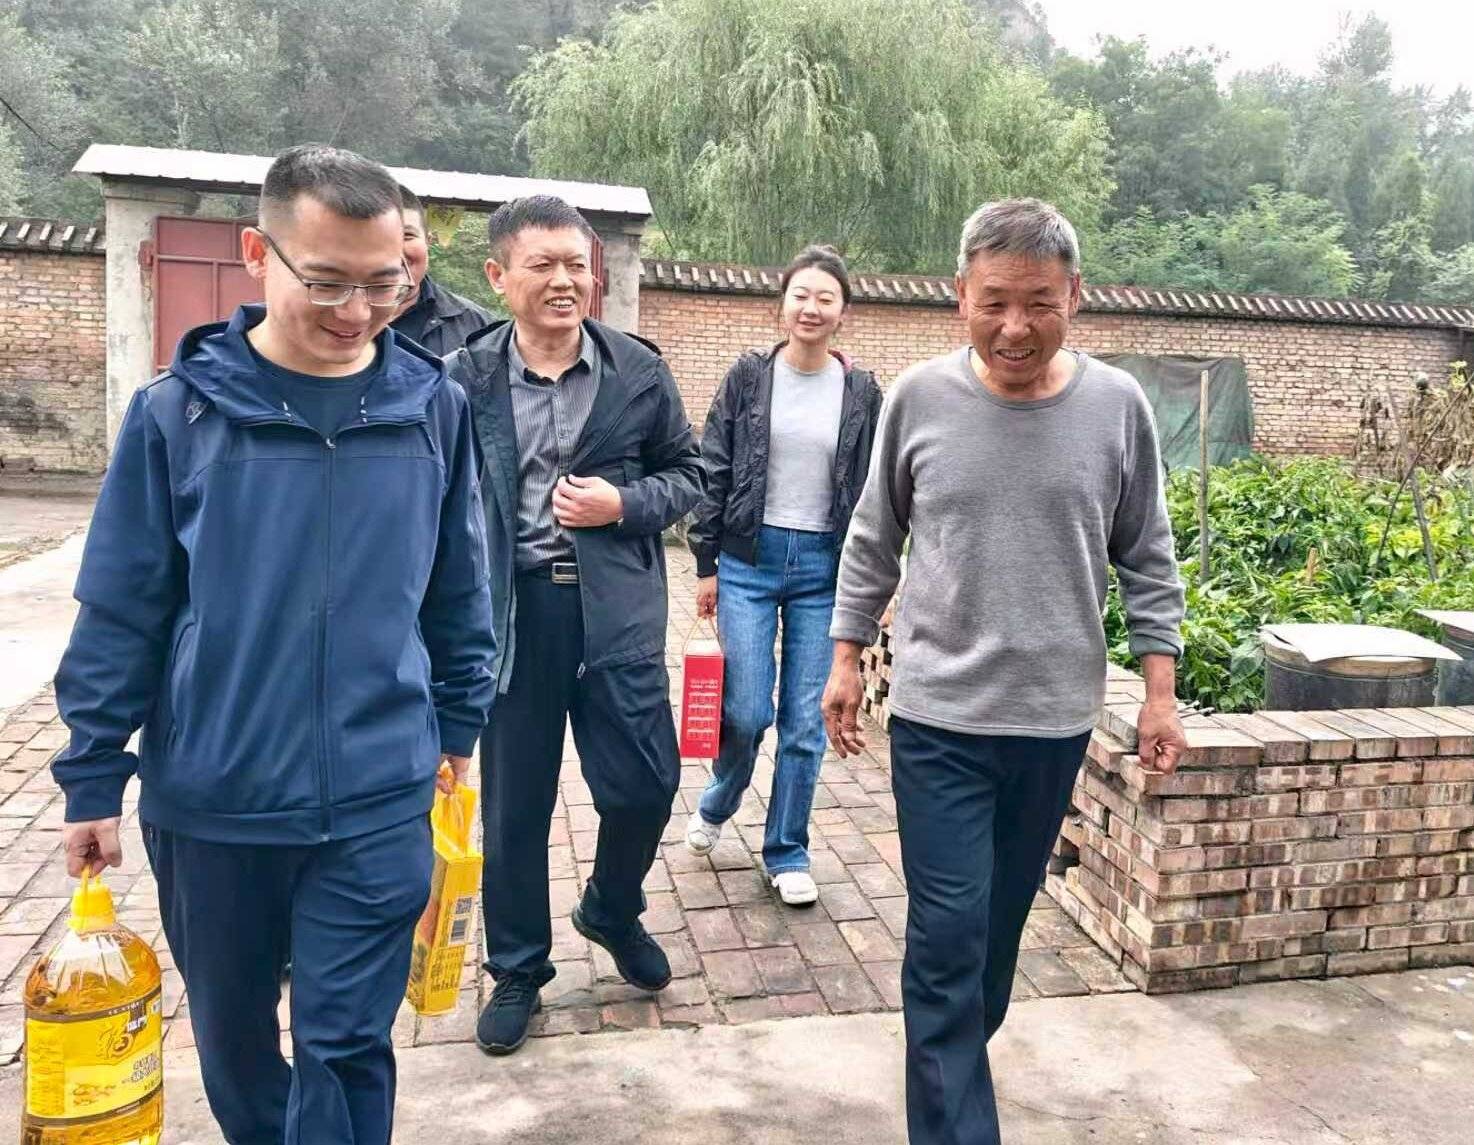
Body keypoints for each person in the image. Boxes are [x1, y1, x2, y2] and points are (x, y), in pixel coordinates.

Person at [52, 144, 496, 1145]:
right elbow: (123, 606)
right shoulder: (178, 414)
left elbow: (459, 587)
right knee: (236, 1044)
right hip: (217, 800)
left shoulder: (434, 407)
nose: (358, 310)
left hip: (379, 795)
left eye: (386, 283)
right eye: (328, 282)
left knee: (345, 1043)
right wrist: (92, 773)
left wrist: (458, 725)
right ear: (258, 254)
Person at [821, 198, 1187, 1145]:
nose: (1015, 327)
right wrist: (845, 656)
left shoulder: (1117, 407)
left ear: (1075, 296)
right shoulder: (918, 398)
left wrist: (1160, 692)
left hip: (1052, 721)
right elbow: (873, 539)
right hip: (940, 718)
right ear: (961, 297)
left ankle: (948, 1070)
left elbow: (1148, 556)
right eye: (993, 303)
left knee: (989, 948)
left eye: (1038, 303)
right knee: (947, 934)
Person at [446, 195, 705, 1056]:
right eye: (542, 264)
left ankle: (612, 907)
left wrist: (622, 503)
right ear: (499, 275)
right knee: (515, 808)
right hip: (511, 614)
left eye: (576, 264)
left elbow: (690, 474)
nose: (565, 280)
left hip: (615, 611)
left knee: (646, 784)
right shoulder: (463, 379)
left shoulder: (636, 369)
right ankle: (519, 967)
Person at [684, 245, 883, 906]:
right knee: (745, 711)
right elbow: (714, 465)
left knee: (804, 721)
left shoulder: (861, 391)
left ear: (843, 312)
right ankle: (721, 798)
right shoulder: (748, 377)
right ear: (783, 303)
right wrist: (706, 563)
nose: (812, 307)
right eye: (802, 294)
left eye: (826, 297)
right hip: (748, 561)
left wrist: (875, 579)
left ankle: (787, 851)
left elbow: (874, 490)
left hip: (825, 568)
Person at [390, 185, 495, 355]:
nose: (394, 250)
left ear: (428, 242)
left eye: (407, 236)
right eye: (378, 238)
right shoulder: (342, 318)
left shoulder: (479, 327)